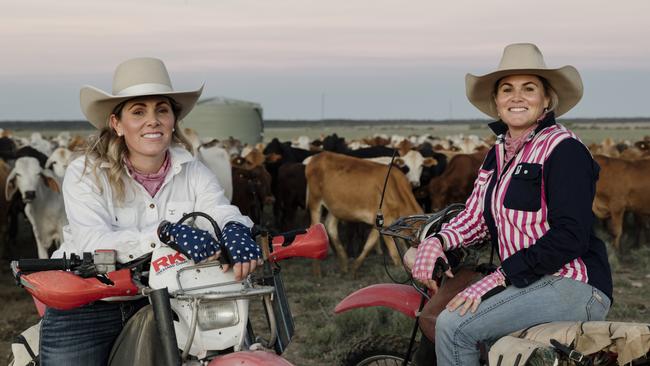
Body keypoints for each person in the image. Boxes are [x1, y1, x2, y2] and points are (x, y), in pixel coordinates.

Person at [40, 57, 262, 365]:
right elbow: (93, 240)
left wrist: (234, 228)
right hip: (91, 301)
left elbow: (219, 209)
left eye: (162, 109)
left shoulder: (193, 171)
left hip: (175, 297)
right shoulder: (85, 173)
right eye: (138, 111)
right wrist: (163, 234)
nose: (153, 120)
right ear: (116, 123)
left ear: (173, 119)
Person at [405, 43, 613, 365]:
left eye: (528, 88)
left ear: (546, 99)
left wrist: (502, 275)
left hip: (572, 283)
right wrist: (438, 240)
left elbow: (571, 235)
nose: (517, 97)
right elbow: (476, 216)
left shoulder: (564, 149)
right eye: (507, 89)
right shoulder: (498, 152)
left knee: (453, 326)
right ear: (497, 102)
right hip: (526, 279)